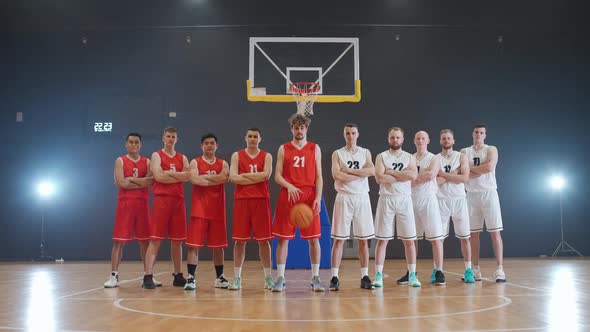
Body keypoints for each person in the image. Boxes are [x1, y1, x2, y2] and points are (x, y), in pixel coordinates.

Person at [271, 113, 324, 292]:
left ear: (306, 129)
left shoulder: (315, 148)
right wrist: (290, 186)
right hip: (288, 195)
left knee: (314, 239)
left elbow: (319, 176)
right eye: (296, 127)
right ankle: (280, 278)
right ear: (291, 129)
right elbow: (277, 175)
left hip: (309, 195)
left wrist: (317, 197)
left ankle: (315, 277)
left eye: (302, 127)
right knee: (283, 239)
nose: (299, 130)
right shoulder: (283, 148)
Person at [104, 133, 158, 288]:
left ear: (140, 145)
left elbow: (150, 181)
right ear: (126, 145)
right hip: (125, 204)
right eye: (131, 142)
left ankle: (148, 275)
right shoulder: (120, 161)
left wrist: (131, 180)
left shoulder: (147, 162)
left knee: (145, 242)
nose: (134, 145)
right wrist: (139, 182)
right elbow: (122, 183)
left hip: (142, 204)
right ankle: (114, 276)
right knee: (118, 242)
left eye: (137, 142)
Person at [329, 123, 376, 291]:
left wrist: (348, 172)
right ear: (344, 135)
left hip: (362, 198)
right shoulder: (337, 153)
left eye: (353, 133)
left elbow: (371, 171)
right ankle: (334, 277)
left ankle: (365, 276)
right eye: (347, 133)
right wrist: (359, 173)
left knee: (364, 240)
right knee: (339, 239)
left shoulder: (365, 152)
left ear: (358, 134)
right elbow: (336, 174)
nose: (350, 136)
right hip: (344, 197)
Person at [143, 127, 191, 289]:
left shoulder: (182, 157)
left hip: (178, 201)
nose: (170, 139)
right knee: (155, 239)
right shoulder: (157, 155)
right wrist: (178, 175)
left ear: (177, 139)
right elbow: (158, 176)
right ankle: (148, 275)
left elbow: (188, 176)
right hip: (161, 200)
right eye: (168, 136)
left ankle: (178, 275)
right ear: (163, 138)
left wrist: (169, 175)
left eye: (173, 137)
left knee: (177, 241)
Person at [374, 127, 421, 288]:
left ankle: (413, 275)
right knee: (382, 240)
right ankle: (378, 275)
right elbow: (380, 178)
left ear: (403, 139)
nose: (395, 140)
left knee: (409, 240)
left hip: (404, 200)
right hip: (386, 199)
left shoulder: (409, 157)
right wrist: (402, 175)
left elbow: (413, 176)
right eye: (393, 137)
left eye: (398, 137)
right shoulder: (381, 156)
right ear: (389, 139)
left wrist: (391, 172)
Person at [227, 128, 274, 290]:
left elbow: (266, 176)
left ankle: (268, 278)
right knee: (240, 241)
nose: (252, 139)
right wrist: (256, 177)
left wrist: (244, 177)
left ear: (260, 139)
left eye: (255, 137)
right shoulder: (237, 155)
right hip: (242, 201)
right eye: (250, 136)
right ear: (245, 138)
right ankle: (236, 278)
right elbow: (233, 177)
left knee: (264, 241)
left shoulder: (267, 156)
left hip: (261, 200)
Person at [184, 133, 230, 290]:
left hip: (217, 210)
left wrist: (205, 179)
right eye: (206, 143)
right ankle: (191, 278)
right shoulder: (195, 162)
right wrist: (213, 179)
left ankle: (219, 277)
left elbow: (224, 177)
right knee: (193, 245)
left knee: (218, 247)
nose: (209, 145)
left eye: (212, 143)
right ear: (201, 146)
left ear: (217, 146)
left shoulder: (223, 163)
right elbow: (195, 179)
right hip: (199, 209)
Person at [461, 124, 506, 282]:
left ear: (485, 135)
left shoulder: (491, 149)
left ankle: (500, 269)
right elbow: (463, 172)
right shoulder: (464, 151)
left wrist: (470, 169)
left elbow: (489, 167)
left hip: (489, 193)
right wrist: (472, 169)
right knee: (473, 235)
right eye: (476, 132)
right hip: (471, 195)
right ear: (472, 134)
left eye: (481, 132)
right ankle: (475, 269)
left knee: (495, 232)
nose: (478, 134)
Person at [404, 131, 446, 285]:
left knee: (436, 238)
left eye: (423, 138)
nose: (420, 140)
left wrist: (411, 180)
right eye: (418, 138)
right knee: (411, 238)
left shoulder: (434, 158)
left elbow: (430, 175)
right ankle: (411, 272)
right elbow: (407, 175)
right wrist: (410, 178)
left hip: (428, 199)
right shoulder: (409, 158)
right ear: (414, 141)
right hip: (411, 199)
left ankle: (439, 271)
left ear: (428, 140)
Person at [436, 129, 475, 283]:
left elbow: (464, 178)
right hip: (440, 201)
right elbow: (435, 182)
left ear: (453, 140)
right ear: (440, 141)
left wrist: (444, 174)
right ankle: (438, 271)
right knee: (439, 238)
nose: (446, 140)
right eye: (443, 138)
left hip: (459, 200)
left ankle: (468, 270)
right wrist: (454, 174)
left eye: (449, 138)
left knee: (465, 237)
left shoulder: (461, 156)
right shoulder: (435, 158)